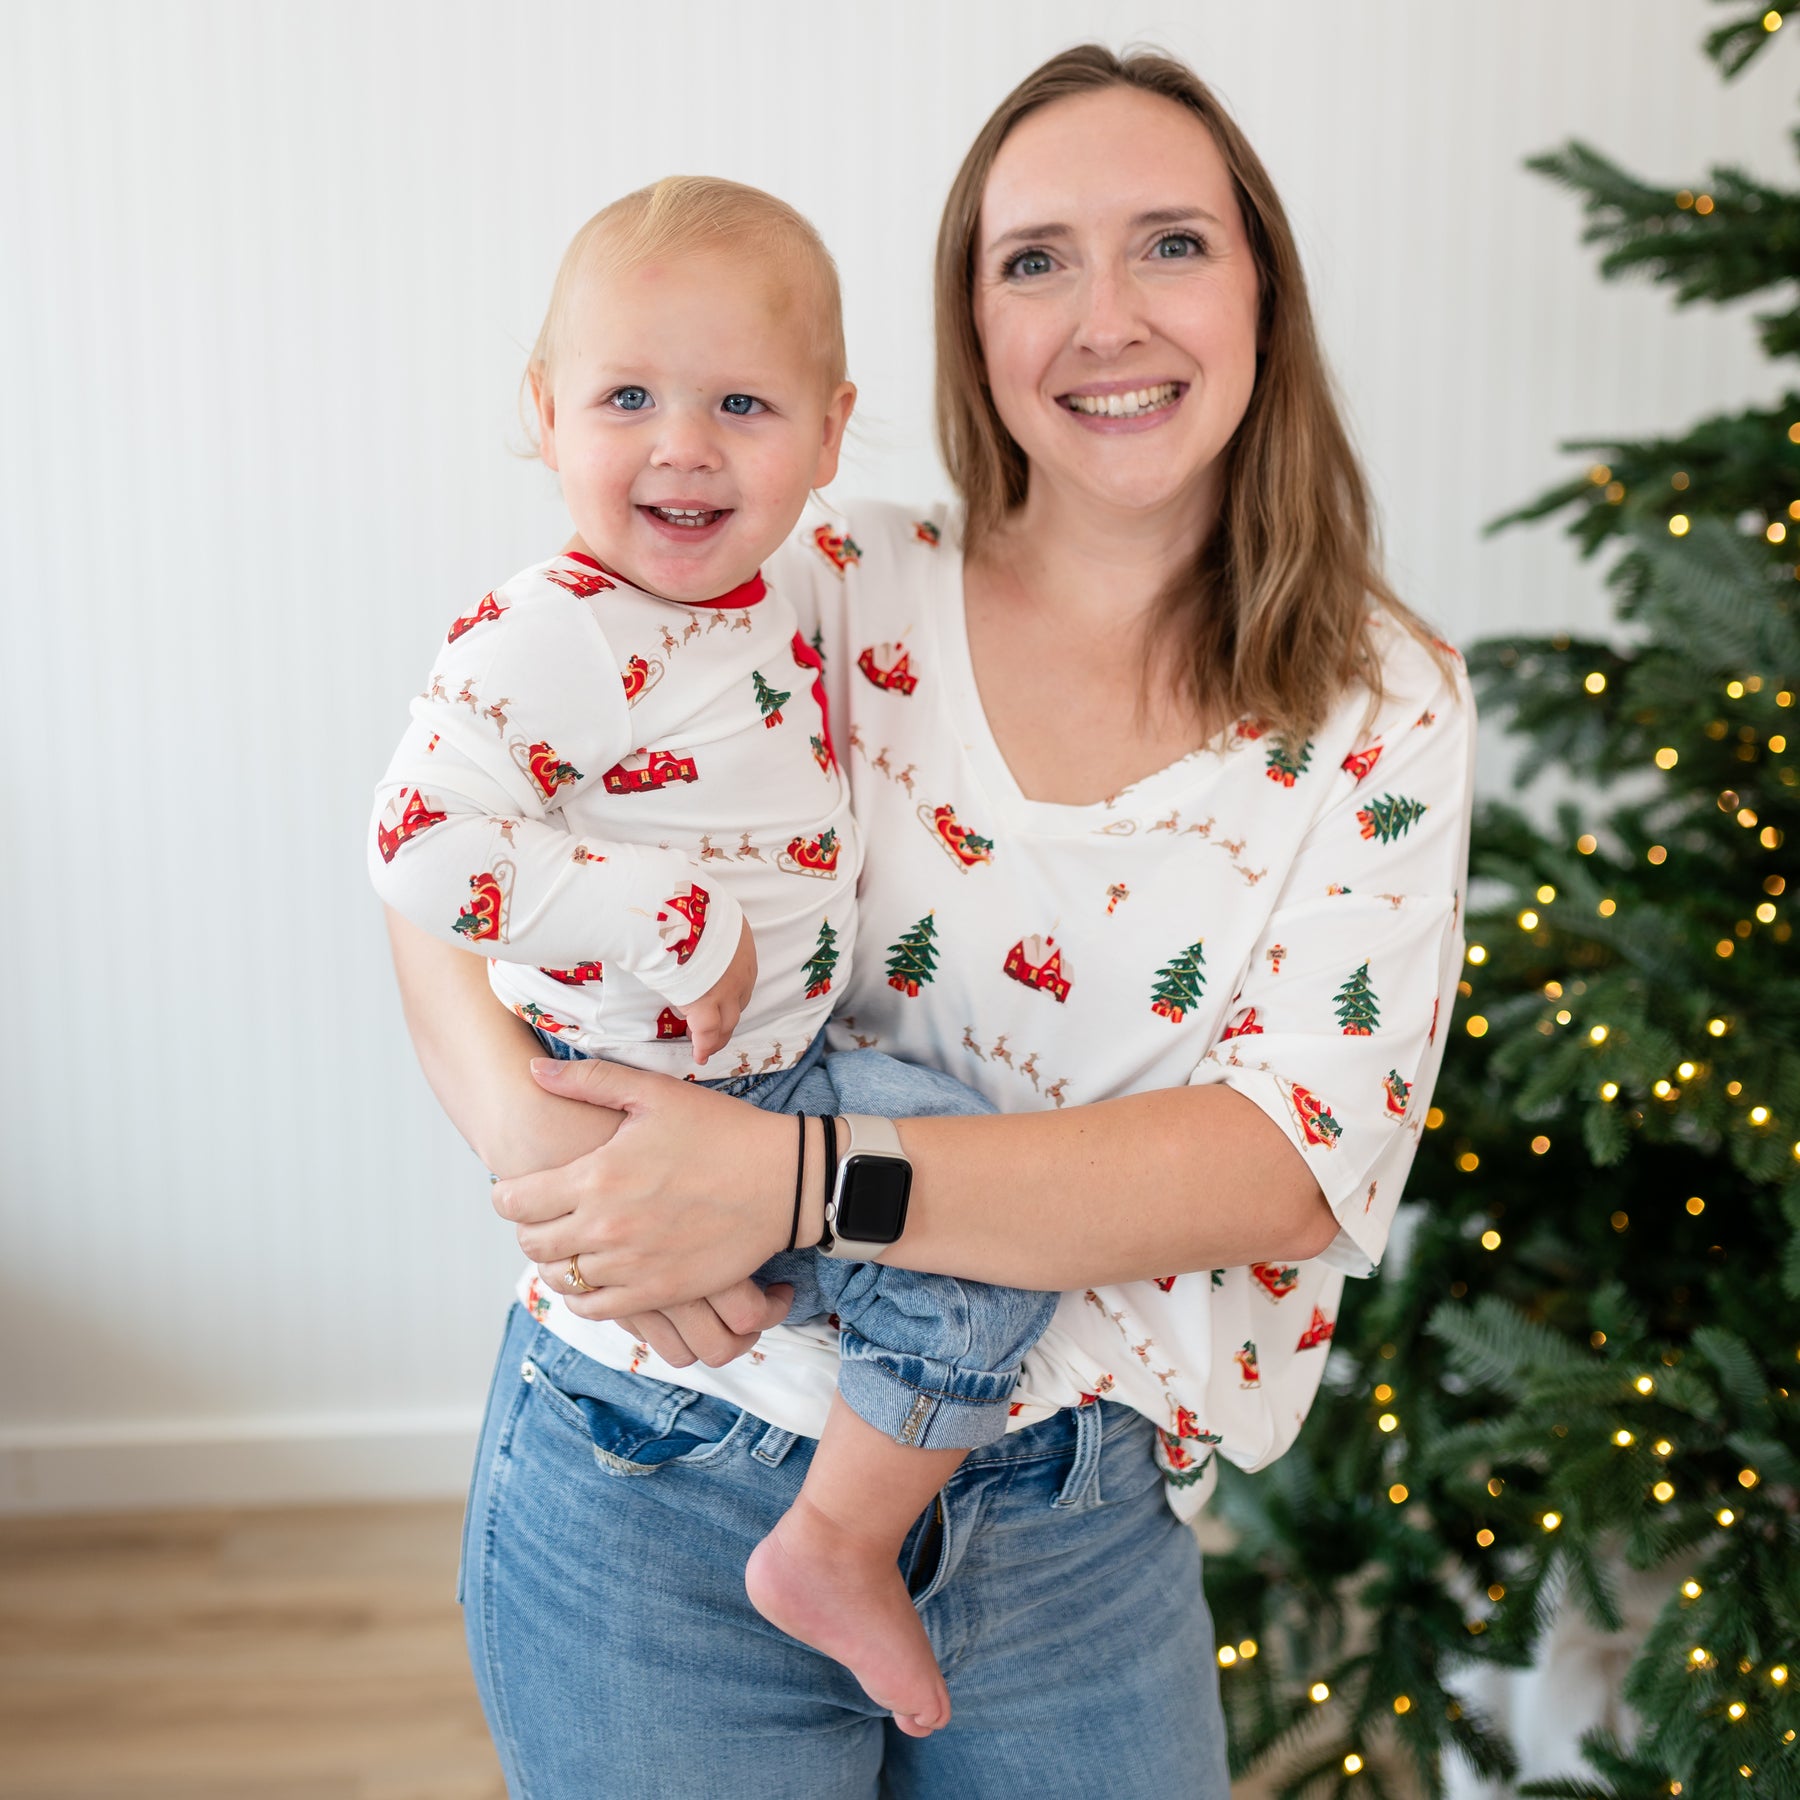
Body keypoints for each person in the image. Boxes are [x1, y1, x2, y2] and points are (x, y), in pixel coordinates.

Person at [385, 44, 1475, 1800]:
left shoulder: (1380, 700)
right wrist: (541, 1147)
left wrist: (801, 1186)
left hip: (1072, 1513)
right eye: (1035, 258)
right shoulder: (804, 576)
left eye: (1172, 244)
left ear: (1265, 286)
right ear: (969, 330)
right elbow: (444, 848)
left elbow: (1293, 1156)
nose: (1104, 315)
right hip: (656, 1457)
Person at [369, 175, 1065, 1734]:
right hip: (658, 1096)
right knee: (975, 1241)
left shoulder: (772, 596)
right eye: (629, 397)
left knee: (992, 1198)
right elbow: (418, 847)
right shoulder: (552, 632)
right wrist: (665, 919)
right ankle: (838, 1544)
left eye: (741, 403)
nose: (683, 442)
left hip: (777, 1070)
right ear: (546, 415)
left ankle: (836, 1529)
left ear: (829, 437)